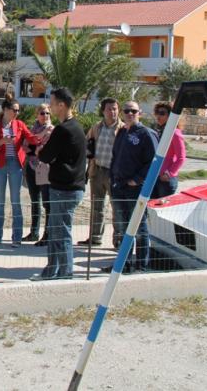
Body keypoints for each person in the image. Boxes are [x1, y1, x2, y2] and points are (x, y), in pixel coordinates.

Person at [30, 87, 86, 281]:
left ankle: (64, 273)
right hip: (70, 187)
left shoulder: (63, 130)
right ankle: (52, 270)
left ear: (61, 105)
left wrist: (40, 151)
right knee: (56, 232)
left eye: (52, 103)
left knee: (61, 233)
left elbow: (45, 155)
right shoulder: (76, 126)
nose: (50, 107)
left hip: (64, 189)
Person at [108, 100, 158, 273]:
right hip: (118, 186)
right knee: (122, 227)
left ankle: (141, 265)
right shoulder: (122, 132)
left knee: (139, 227)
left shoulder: (146, 134)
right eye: (127, 111)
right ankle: (124, 263)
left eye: (133, 111)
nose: (130, 114)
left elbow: (154, 162)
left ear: (140, 113)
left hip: (135, 188)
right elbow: (115, 156)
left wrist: (137, 179)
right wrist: (112, 177)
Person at [0, 99, 35, 246]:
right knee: (0, 200)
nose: (17, 112)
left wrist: (45, 134)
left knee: (15, 200)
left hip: (15, 164)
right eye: (14, 110)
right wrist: (1, 142)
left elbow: (31, 138)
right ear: (5, 110)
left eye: (18, 110)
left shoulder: (19, 124)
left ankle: (17, 236)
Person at [79, 98, 122, 247]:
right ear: (103, 111)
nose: (113, 112)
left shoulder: (123, 129)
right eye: (109, 109)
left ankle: (118, 240)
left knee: (117, 208)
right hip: (97, 171)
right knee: (96, 207)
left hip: (115, 174)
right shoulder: (97, 127)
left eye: (115, 108)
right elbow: (86, 143)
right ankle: (95, 237)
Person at [23, 104, 54, 244]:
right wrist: (35, 147)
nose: (45, 115)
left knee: (47, 203)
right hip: (31, 166)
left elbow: (43, 148)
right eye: (42, 113)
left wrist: (35, 146)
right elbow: (25, 146)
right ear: (37, 114)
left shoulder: (52, 130)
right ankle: (34, 232)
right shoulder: (32, 129)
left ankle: (47, 234)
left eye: (47, 113)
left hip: (44, 168)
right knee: (35, 201)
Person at [153, 101, 185, 198]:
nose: (158, 116)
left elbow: (181, 157)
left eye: (162, 113)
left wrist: (168, 174)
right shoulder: (160, 131)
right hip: (156, 177)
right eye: (157, 112)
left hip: (166, 180)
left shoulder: (175, 133)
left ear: (171, 115)